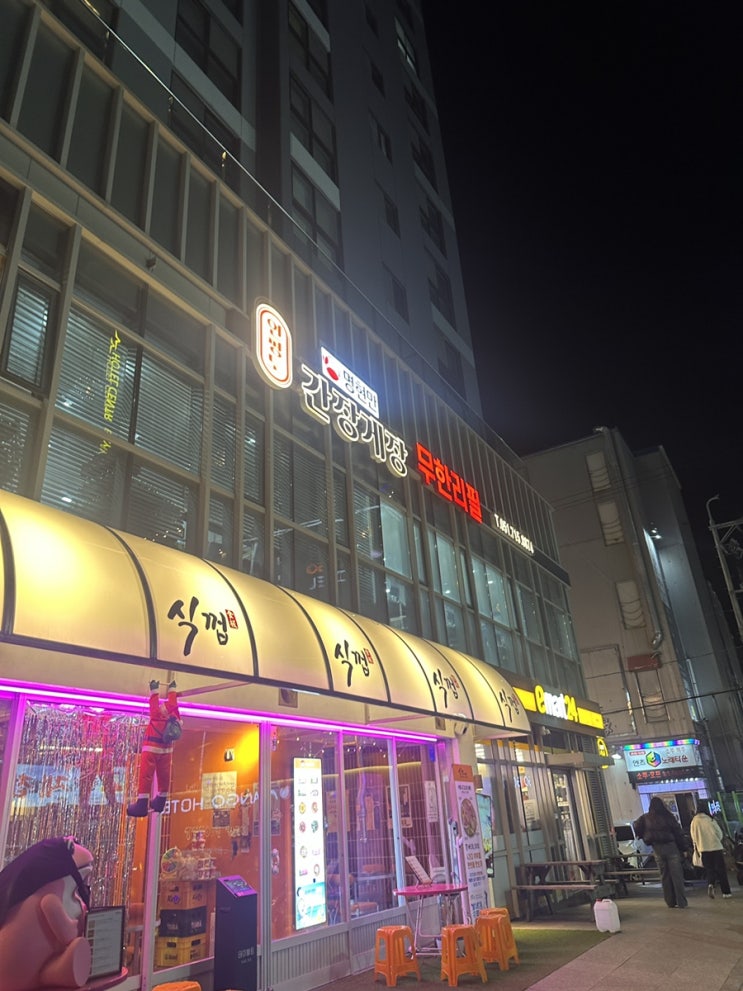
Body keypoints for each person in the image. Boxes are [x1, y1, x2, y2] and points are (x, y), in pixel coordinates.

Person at [633, 797, 690, 908]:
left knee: (664, 876)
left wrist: (642, 836)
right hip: (671, 848)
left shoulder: (646, 818)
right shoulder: (668, 816)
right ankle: (681, 902)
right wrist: (684, 849)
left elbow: (636, 825)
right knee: (677, 876)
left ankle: (670, 901)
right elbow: (678, 833)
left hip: (657, 849)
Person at [690, 801, 732, 899]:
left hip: (703, 849)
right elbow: (720, 833)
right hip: (716, 847)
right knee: (721, 870)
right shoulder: (710, 819)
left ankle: (710, 884)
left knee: (709, 870)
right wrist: (717, 840)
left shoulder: (694, 822)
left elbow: (693, 837)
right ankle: (726, 892)